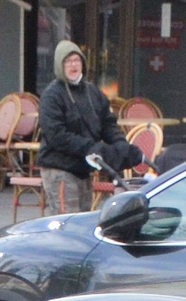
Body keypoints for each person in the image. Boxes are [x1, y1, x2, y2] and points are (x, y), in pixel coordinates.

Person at [36, 39, 132, 214]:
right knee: (67, 223)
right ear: (60, 65)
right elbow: (57, 136)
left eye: (77, 60)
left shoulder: (92, 92)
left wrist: (120, 145)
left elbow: (108, 123)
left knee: (82, 221)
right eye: (68, 61)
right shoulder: (52, 96)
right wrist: (92, 148)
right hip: (60, 169)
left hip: (84, 169)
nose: (73, 65)